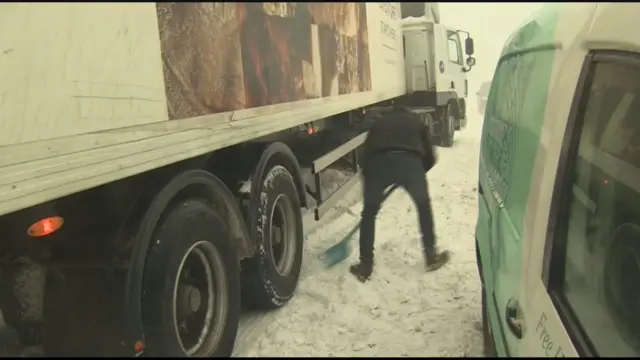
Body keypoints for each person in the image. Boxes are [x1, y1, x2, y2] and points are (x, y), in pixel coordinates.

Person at [349, 105, 451, 282]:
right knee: (423, 206)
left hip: (378, 164)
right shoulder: (416, 122)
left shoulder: (379, 123)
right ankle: (431, 256)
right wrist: (416, 171)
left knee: (369, 213)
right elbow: (430, 157)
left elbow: (364, 154)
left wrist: (372, 177)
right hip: (409, 163)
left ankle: (365, 265)